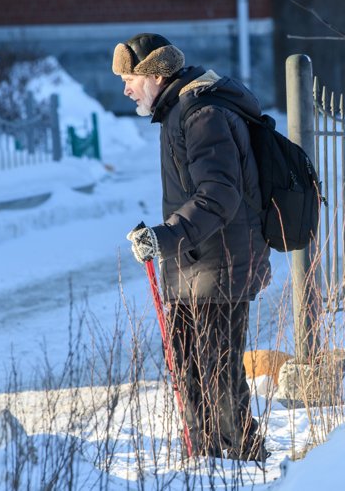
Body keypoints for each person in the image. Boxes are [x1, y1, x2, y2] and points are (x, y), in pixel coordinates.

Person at [112, 33, 271, 462]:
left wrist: (164, 238)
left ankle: (246, 464)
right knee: (192, 372)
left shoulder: (202, 115)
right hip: (196, 266)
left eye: (129, 78)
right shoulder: (180, 112)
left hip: (219, 266)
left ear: (156, 75)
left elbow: (219, 195)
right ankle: (206, 463)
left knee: (217, 376)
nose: (125, 89)